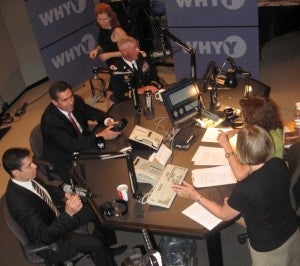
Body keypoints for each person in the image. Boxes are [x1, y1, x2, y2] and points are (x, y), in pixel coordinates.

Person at [172, 125, 300, 266]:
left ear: (241, 153)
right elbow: (245, 175)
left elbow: (223, 214)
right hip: (292, 230)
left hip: (269, 246)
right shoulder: (278, 163)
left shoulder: (246, 189)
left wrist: (194, 194)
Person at [3, 148, 115, 265]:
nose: (35, 166)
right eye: (29, 165)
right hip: (52, 239)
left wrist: (63, 193)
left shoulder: (26, 177)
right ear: (16, 172)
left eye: (33, 162)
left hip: (54, 217)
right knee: (95, 244)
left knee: (95, 210)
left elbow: (45, 190)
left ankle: (107, 249)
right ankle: (102, 253)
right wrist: (68, 214)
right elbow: (44, 237)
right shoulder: (20, 204)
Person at [41, 81, 121, 183]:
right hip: (65, 158)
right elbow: (72, 145)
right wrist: (101, 135)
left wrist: (107, 120)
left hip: (83, 140)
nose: (71, 102)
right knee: (95, 180)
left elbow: (91, 112)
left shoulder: (76, 100)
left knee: (111, 156)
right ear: (54, 102)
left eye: (71, 97)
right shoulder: (50, 121)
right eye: (65, 100)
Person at [218, 96, 284, 181]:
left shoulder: (263, 142)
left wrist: (226, 146)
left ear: (255, 121)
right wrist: (239, 130)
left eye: (244, 117)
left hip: (264, 180)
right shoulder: (273, 126)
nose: (241, 118)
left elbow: (240, 175)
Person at [108, 36, 159, 103]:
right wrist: (139, 91)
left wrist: (152, 86)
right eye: (134, 48)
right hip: (131, 100)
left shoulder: (142, 56)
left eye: (137, 46)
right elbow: (118, 95)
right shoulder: (117, 69)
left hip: (149, 93)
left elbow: (153, 73)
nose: (138, 50)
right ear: (124, 52)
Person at [89, 3, 128, 67]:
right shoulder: (103, 29)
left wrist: (109, 55)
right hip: (112, 66)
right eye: (99, 19)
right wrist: (96, 49)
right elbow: (108, 43)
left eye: (105, 19)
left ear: (110, 18)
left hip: (123, 65)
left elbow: (128, 51)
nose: (102, 22)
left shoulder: (117, 31)